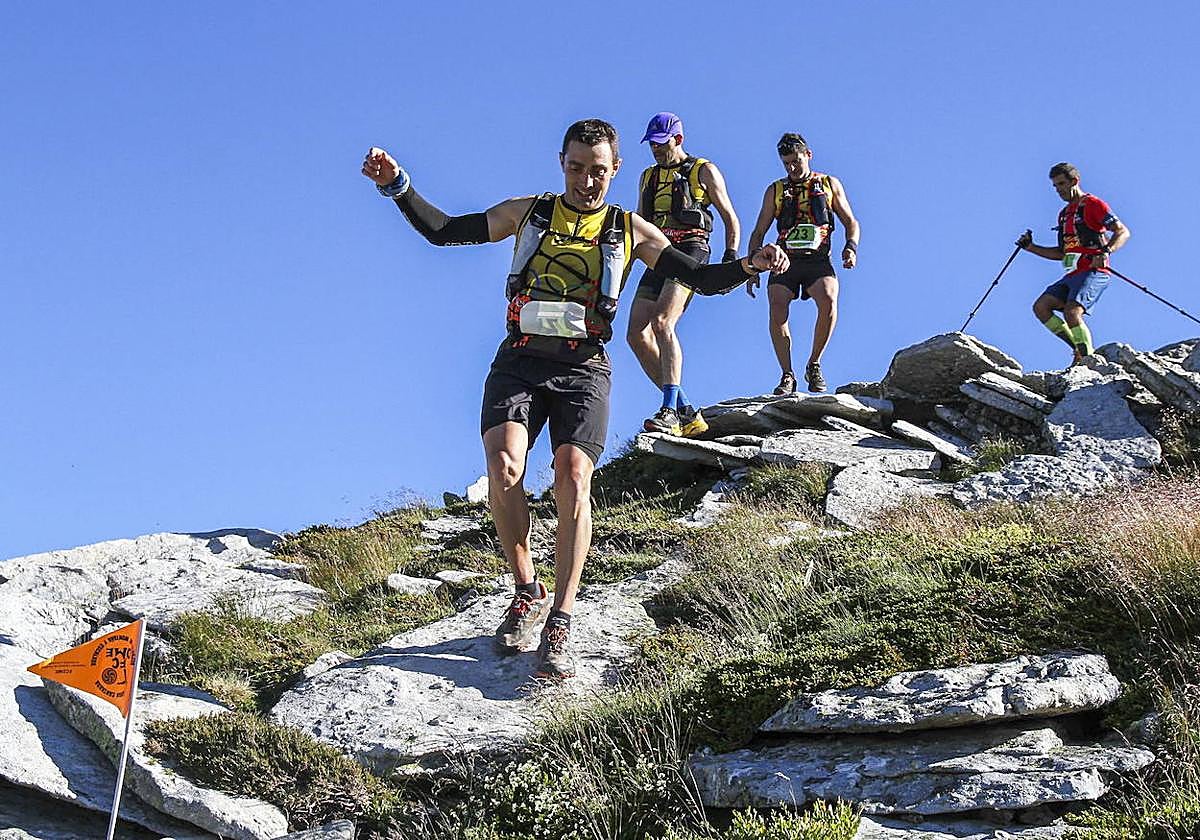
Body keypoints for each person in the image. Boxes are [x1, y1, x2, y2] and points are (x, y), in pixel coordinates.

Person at [361, 120, 787, 678]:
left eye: (599, 172)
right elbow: (445, 231)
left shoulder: (629, 228)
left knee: (571, 476)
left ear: (615, 172)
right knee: (504, 465)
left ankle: (561, 615)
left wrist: (749, 265)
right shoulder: (529, 212)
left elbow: (699, 279)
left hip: (583, 366)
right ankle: (526, 588)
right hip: (520, 358)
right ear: (562, 162)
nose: (588, 182)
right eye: (577, 168)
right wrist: (399, 186)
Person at [626, 112, 741, 437]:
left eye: (662, 144)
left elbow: (729, 217)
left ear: (678, 138)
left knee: (663, 322)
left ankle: (668, 410)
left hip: (691, 250)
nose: (657, 150)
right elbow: (638, 226)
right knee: (636, 333)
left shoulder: (703, 170)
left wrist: (730, 259)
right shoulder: (647, 177)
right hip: (658, 254)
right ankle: (685, 409)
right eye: (652, 145)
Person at [746, 133, 860, 394]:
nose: (792, 168)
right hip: (784, 260)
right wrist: (752, 265)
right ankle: (787, 374)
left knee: (829, 298)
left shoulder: (829, 183)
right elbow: (758, 231)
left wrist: (850, 247)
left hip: (818, 258)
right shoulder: (775, 190)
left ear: (808, 155)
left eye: (796, 161)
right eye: (786, 163)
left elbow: (851, 221)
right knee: (777, 309)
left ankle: (814, 363)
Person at [1017, 162, 1130, 364]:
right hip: (1072, 275)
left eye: (1061, 184)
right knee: (1041, 307)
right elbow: (1061, 253)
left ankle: (1088, 360)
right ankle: (1078, 350)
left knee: (1072, 312)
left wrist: (1106, 251)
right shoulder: (1064, 214)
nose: (1058, 190)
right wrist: (1031, 247)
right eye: (1055, 186)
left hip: (1094, 271)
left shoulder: (1093, 204)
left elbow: (1122, 231)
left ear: (1074, 181)